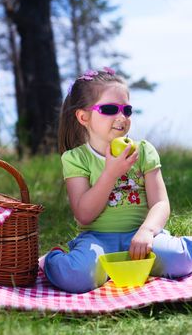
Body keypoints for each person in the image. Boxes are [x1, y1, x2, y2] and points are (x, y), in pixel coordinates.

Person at [39, 67, 192, 293]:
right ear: (84, 117)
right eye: (109, 109)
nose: (121, 117)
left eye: (126, 110)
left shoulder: (144, 151)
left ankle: (147, 260)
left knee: (180, 259)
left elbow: (160, 203)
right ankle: (51, 259)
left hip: (141, 238)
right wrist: (111, 173)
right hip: (99, 241)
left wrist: (148, 231)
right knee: (76, 276)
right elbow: (84, 214)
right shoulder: (76, 158)